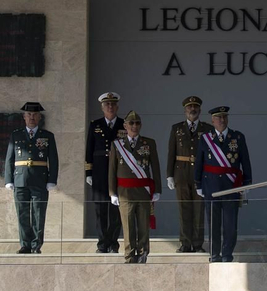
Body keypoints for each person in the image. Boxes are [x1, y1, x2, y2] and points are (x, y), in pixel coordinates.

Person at [193, 105, 251, 263]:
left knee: (230, 225)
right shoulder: (205, 138)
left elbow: (245, 162)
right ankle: (215, 254)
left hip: (232, 187)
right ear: (212, 120)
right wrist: (198, 184)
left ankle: (227, 255)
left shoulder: (237, 137)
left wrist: (246, 184)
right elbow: (199, 162)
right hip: (211, 186)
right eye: (218, 117)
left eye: (225, 117)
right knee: (213, 224)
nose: (222, 120)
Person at [3, 102, 57, 254]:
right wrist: (8, 180)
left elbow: (53, 159)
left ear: (39, 117)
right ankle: (25, 244)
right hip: (20, 180)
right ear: (24, 117)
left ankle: (36, 245)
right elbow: (9, 159)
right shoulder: (16, 135)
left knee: (38, 214)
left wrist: (52, 179)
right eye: (29, 115)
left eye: (35, 115)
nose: (32, 117)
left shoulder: (47, 136)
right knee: (23, 213)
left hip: (40, 180)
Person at [108, 110, 161, 264]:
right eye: (131, 123)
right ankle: (130, 255)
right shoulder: (117, 145)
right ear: (125, 125)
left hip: (143, 191)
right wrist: (112, 192)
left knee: (144, 224)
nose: (134, 126)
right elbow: (111, 170)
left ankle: (143, 253)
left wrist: (157, 189)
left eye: (137, 123)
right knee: (128, 225)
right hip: (124, 192)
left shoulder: (149, 143)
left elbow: (155, 167)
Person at [167, 96, 208, 254]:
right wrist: (169, 175)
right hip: (181, 173)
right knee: (184, 210)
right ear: (185, 110)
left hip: (201, 174)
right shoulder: (176, 128)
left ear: (200, 110)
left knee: (199, 210)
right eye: (190, 107)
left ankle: (198, 244)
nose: (193, 110)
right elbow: (172, 152)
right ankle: (185, 243)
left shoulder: (207, 129)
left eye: (195, 107)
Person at [85, 92, 124, 253]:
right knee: (100, 210)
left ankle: (113, 243)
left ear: (117, 107)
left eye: (113, 104)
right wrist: (88, 172)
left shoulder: (124, 124)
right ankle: (102, 243)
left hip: (118, 171)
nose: (110, 107)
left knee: (116, 210)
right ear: (102, 107)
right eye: (107, 104)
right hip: (100, 172)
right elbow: (89, 149)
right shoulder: (95, 125)